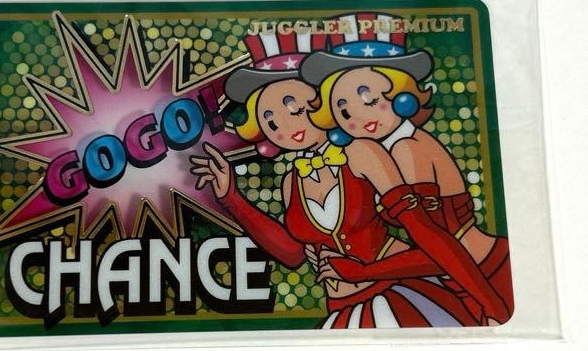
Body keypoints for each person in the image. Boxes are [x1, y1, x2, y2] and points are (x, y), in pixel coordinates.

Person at [190, 29, 471, 328]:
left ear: (323, 102)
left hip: (398, 293)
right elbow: (294, 255)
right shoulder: (291, 182)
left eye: (293, 108)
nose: (285, 126)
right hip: (341, 309)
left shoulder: (361, 152)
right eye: (270, 121)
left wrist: (365, 271)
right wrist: (231, 197)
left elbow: (428, 239)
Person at [298, 20, 512, 324]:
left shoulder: (406, 148)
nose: (360, 116)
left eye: (370, 100)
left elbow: (436, 247)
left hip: (485, 273)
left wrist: (364, 271)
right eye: (344, 110)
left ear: (401, 94)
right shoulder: (383, 153)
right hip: (461, 280)